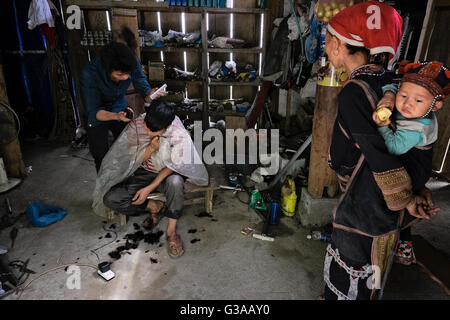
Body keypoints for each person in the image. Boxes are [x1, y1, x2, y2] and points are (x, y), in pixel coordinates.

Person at [323, 1, 440, 300]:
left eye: (326, 40)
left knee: (355, 263)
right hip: (382, 197)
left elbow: (378, 154)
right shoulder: (394, 84)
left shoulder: (355, 91)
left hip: (367, 201)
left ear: (337, 44)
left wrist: (405, 198)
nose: (326, 48)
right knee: (376, 262)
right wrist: (414, 190)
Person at [95, 101, 208, 259]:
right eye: (147, 126)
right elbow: (133, 159)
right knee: (111, 199)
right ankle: (155, 206)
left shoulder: (177, 133)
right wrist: (150, 149)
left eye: (153, 130)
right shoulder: (139, 124)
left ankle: (171, 232)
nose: (147, 132)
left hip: (169, 172)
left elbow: (173, 166)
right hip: (144, 171)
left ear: (166, 127)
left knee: (175, 183)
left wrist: (150, 188)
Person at [372, 61, 449, 264]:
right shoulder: (414, 110)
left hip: (412, 171)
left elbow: (393, 147)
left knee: (393, 207)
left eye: (418, 100)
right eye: (404, 96)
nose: (407, 104)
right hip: (408, 163)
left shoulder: (418, 127)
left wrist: (382, 126)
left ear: (436, 105)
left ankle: (396, 244)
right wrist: (390, 95)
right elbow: (393, 86)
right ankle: (402, 242)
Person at [80, 41, 163, 172]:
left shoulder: (131, 63)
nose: (125, 78)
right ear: (107, 69)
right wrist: (115, 116)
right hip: (98, 114)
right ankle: (105, 183)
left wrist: (149, 94)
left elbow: (141, 83)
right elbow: (94, 111)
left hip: (119, 106)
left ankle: (125, 176)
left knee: (127, 147)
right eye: (120, 75)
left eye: (127, 74)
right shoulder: (89, 74)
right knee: (100, 154)